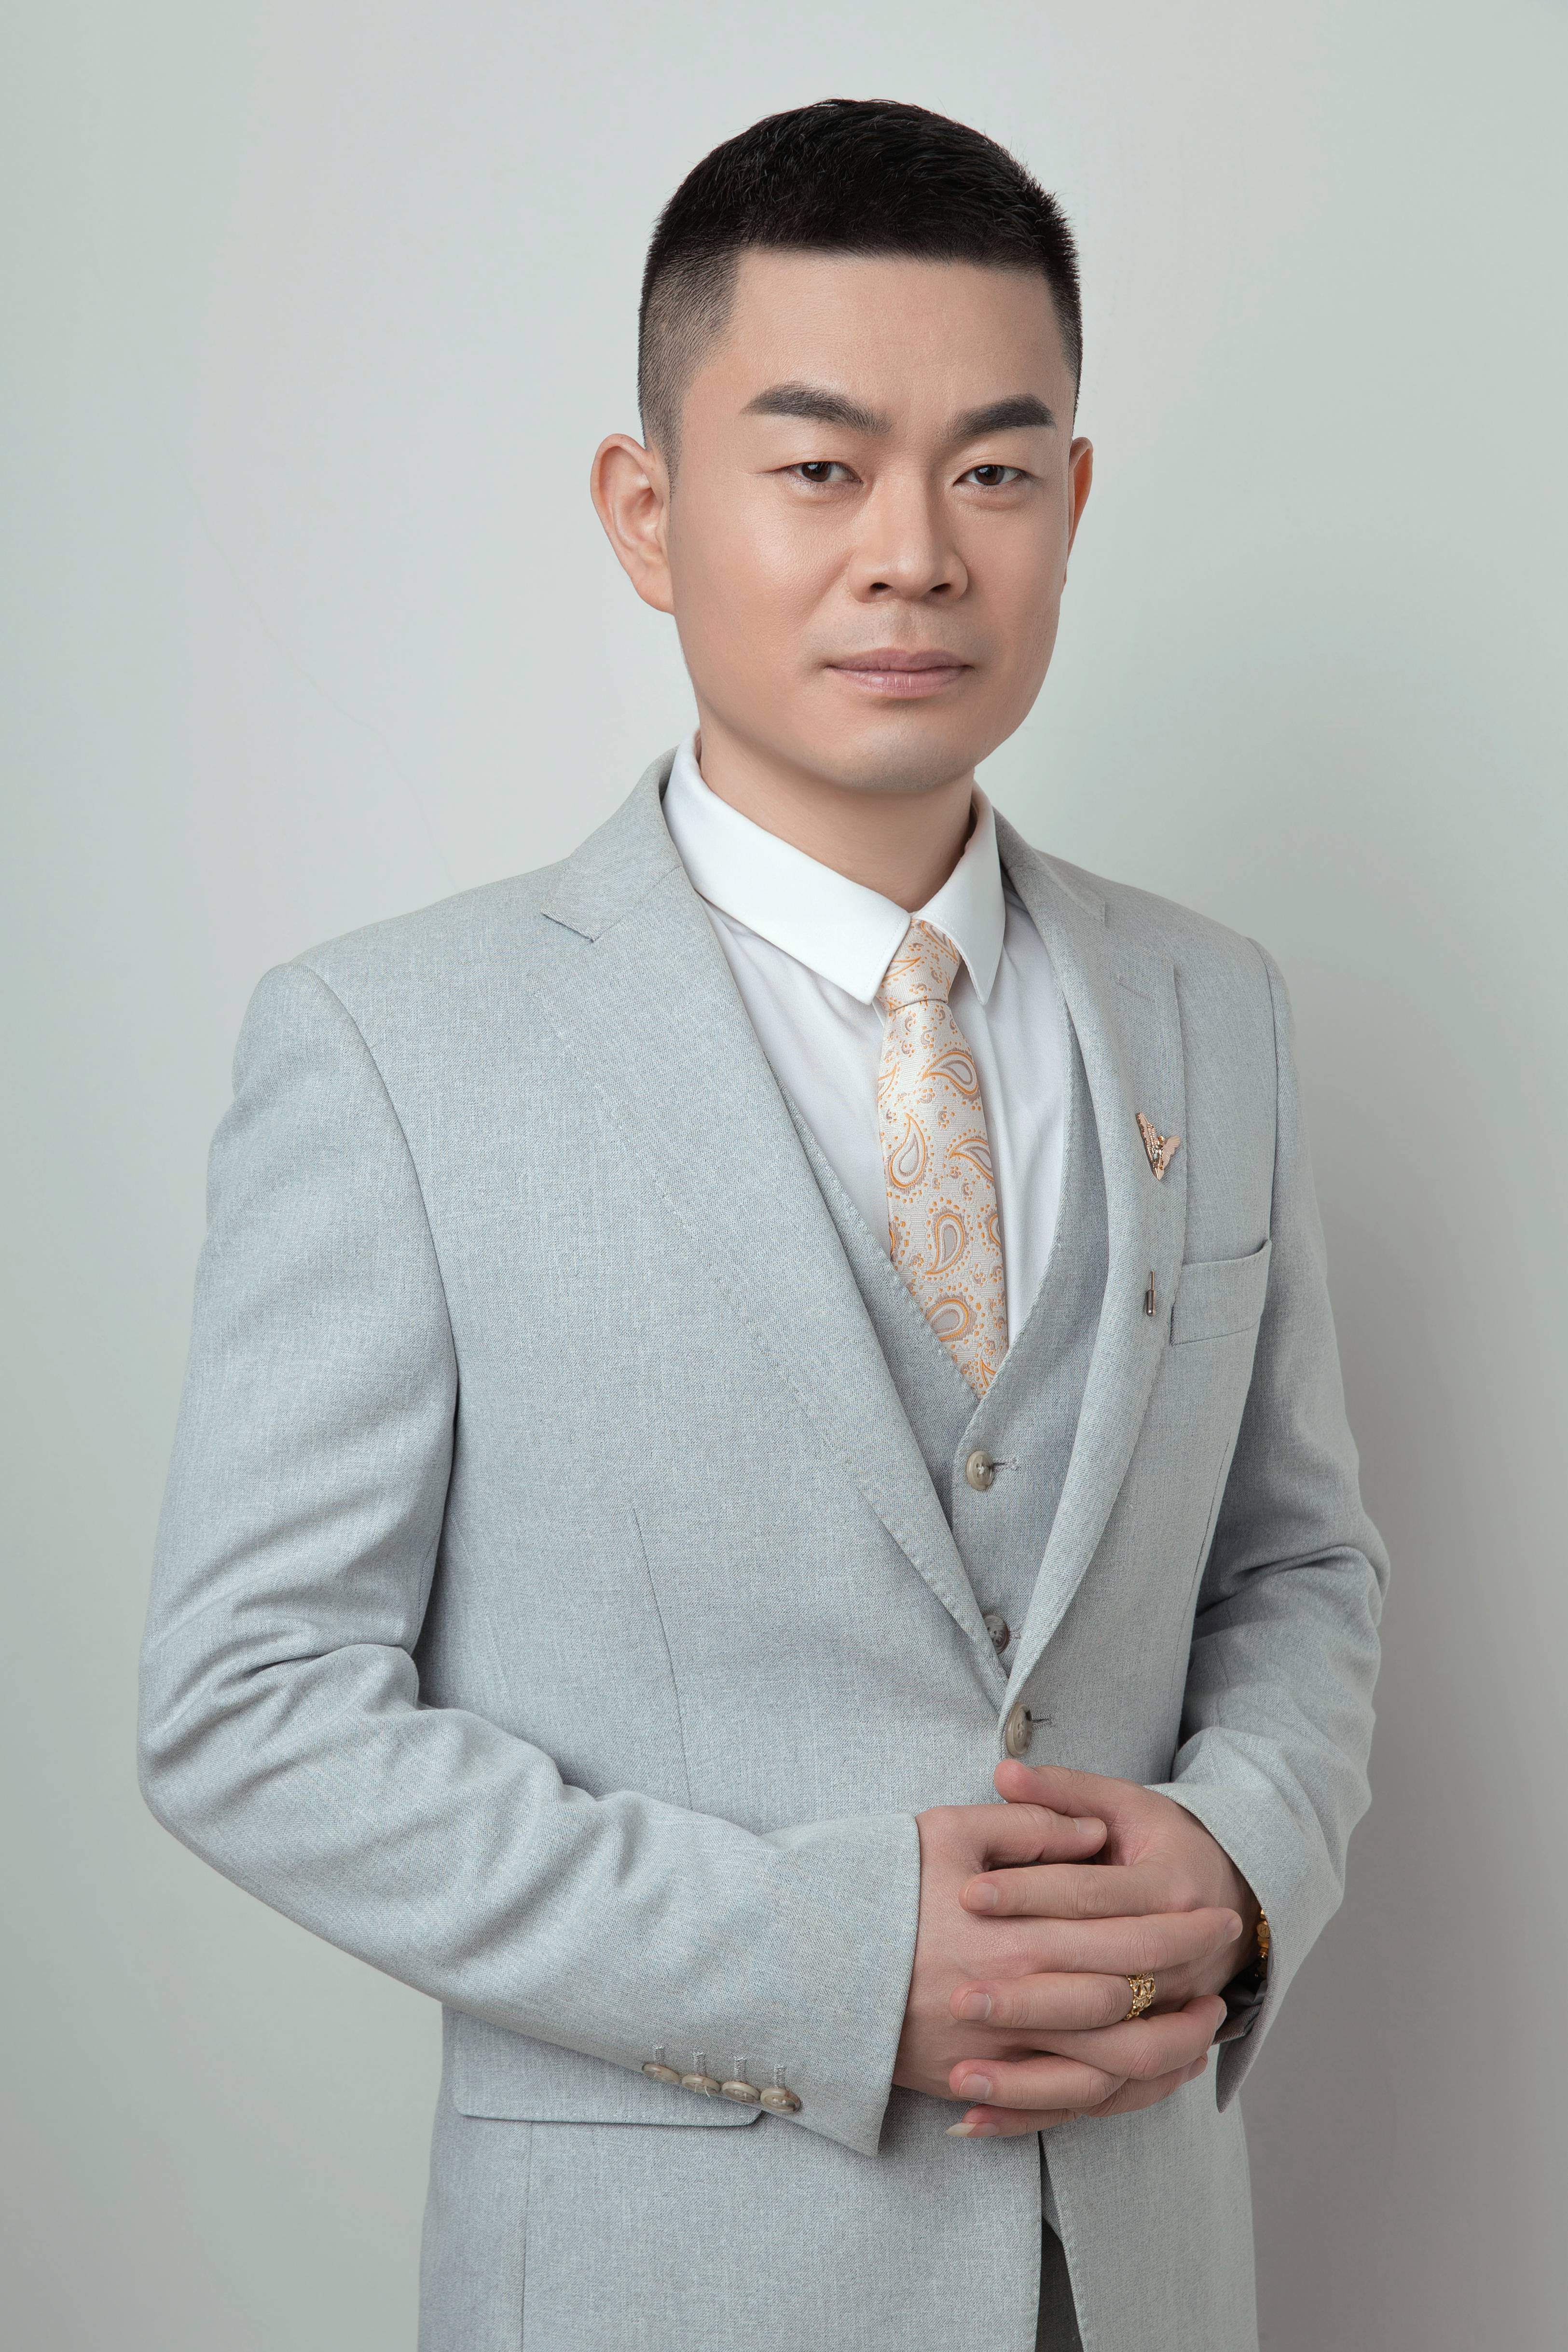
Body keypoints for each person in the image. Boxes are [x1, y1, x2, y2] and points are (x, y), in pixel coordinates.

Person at [138, 98, 1387, 2352]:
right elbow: (251, 1705)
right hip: (658, 2284)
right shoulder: (392, 1048)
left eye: (994, 471)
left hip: (1140, 2270)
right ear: (648, 511)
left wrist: (1243, 1861)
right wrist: (827, 1960)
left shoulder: (1218, 1011)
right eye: (819, 465)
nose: (913, 553)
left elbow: (1294, 1566)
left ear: (1072, 503)